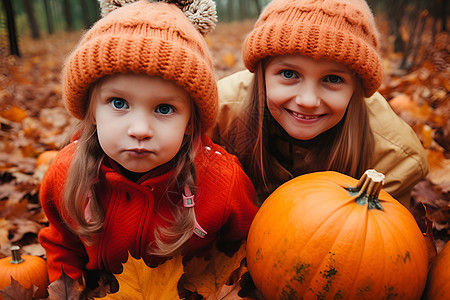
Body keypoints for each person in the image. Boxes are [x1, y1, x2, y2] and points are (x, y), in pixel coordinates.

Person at [38, 0, 258, 283]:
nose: (140, 130)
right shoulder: (66, 174)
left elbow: (244, 252)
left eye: (164, 109)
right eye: (119, 103)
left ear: (191, 121)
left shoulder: (223, 182)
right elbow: (63, 246)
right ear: (91, 109)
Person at [209, 0, 428, 207]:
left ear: (356, 87)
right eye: (288, 73)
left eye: (333, 79)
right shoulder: (219, 113)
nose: (308, 101)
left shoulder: (391, 156)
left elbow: (383, 236)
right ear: (262, 72)